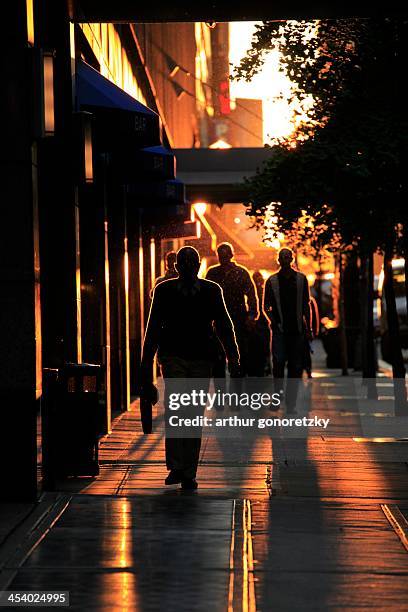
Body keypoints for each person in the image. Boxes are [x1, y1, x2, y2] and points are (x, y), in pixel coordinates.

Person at [141, 246, 240, 490]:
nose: (186, 268)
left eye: (190, 263)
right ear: (177, 267)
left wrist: (233, 357)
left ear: (197, 267)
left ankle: (187, 470)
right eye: (182, 264)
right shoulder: (163, 291)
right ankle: (178, 466)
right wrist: (145, 368)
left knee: (192, 412)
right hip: (173, 356)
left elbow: (224, 325)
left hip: (200, 358)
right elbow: (152, 329)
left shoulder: (211, 290)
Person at [263, 247, 312, 413]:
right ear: (279, 260)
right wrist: (274, 321)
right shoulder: (271, 281)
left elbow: (306, 305)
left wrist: (309, 328)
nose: (285, 260)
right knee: (278, 365)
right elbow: (266, 306)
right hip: (279, 331)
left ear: (291, 259)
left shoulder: (301, 279)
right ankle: (277, 399)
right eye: (282, 257)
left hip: (296, 331)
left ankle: (290, 404)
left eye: (287, 257)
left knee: (295, 368)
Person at [206, 243, 259, 378]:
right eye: (221, 255)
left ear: (231, 255)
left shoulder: (241, 272)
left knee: (237, 358)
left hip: (238, 320)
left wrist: (252, 315)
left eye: (225, 255)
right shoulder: (213, 273)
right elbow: (205, 296)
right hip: (218, 321)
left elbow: (252, 295)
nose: (223, 258)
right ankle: (221, 395)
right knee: (218, 360)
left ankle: (237, 393)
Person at [248, 271, 271, 376]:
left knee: (263, 347)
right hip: (256, 325)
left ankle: (264, 365)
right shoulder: (253, 292)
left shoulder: (262, 292)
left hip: (262, 324)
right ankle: (261, 366)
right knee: (258, 347)